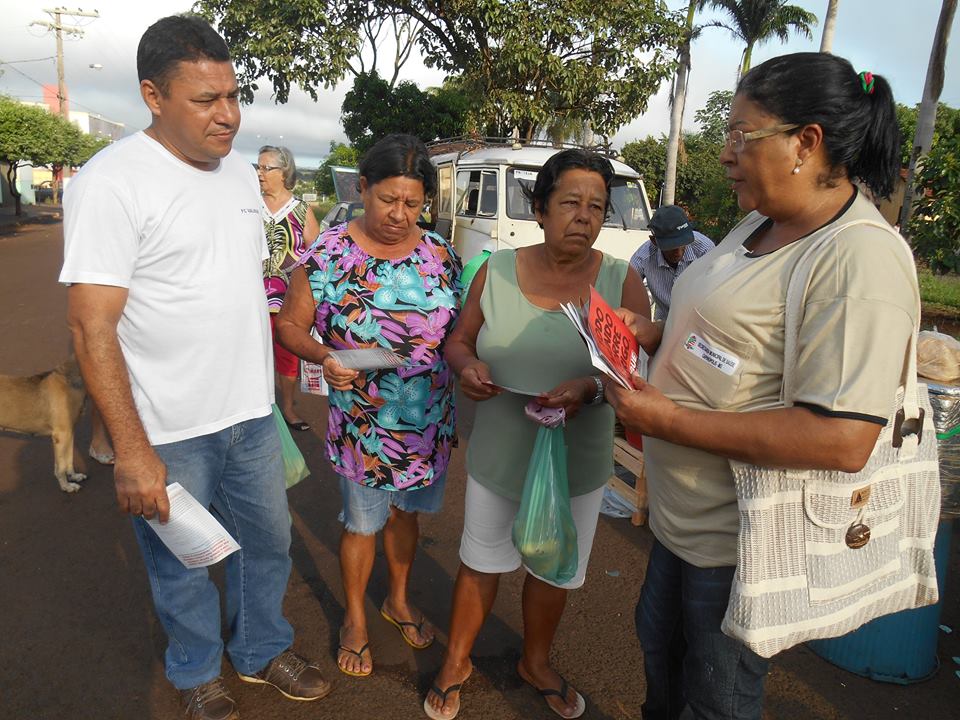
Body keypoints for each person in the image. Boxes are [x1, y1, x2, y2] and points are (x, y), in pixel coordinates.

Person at [605, 52, 916, 720]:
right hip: (682, 521)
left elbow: (840, 438)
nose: (725, 154)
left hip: (739, 543)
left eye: (741, 136)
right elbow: (725, 334)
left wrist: (666, 421)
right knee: (663, 670)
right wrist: (646, 335)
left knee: (715, 699)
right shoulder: (760, 222)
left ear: (807, 142)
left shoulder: (859, 256)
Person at [60, 16, 331, 720]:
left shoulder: (241, 172)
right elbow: (92, 326)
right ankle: (196, 672)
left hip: (249, 415)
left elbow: (242, 286)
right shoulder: (111, 182)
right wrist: (130, 448)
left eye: (233, 95)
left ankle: (260, 649)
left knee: (267, 545)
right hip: (168, 428)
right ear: (153, 95)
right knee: (182, 564)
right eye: (205, 100)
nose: (229, 115)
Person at [425, 149, 651, 720]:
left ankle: (536, 661)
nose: (584, 215)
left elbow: (631, 376)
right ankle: (456, 659)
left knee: (554, 565)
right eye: (570, 202)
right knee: (482, 558)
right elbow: (459, 340)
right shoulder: (496, 271)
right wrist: (465, 367)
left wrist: (591, 390)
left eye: (597, 206)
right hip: (503, 449)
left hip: (577, 453)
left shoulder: (624, 283)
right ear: (541, 208)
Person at [276, 133, 461, 679]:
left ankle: (397, 599)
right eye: (388, 200)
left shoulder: (440, 253)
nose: (400, 215)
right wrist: (324, 354)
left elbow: (458, 331)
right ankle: (355, 617)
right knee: (361, 523)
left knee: (407, 517)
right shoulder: (329, 251)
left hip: (428, 420)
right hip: (364, 425)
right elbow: (289, 326)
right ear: (363, 188)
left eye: (412, 203)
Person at [258, 144, 321, 431]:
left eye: (265, 167)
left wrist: (316, 300)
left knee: (287, 356)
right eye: (257, 167)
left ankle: (288, 408)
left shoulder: (301, 211)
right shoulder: (250, 206)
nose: (259, 173)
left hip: (288, 300)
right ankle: (258, 411)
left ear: (284, 172)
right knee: (252, 354)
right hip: (251, 296)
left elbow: (317, 256)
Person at [629, 204, 713, 321]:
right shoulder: (642, 258)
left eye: (682, 244)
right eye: (671, 247)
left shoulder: (705, 251)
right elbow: (625, 289)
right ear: (654, 241)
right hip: (665, 323)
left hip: (699, 323)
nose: (678, 252)